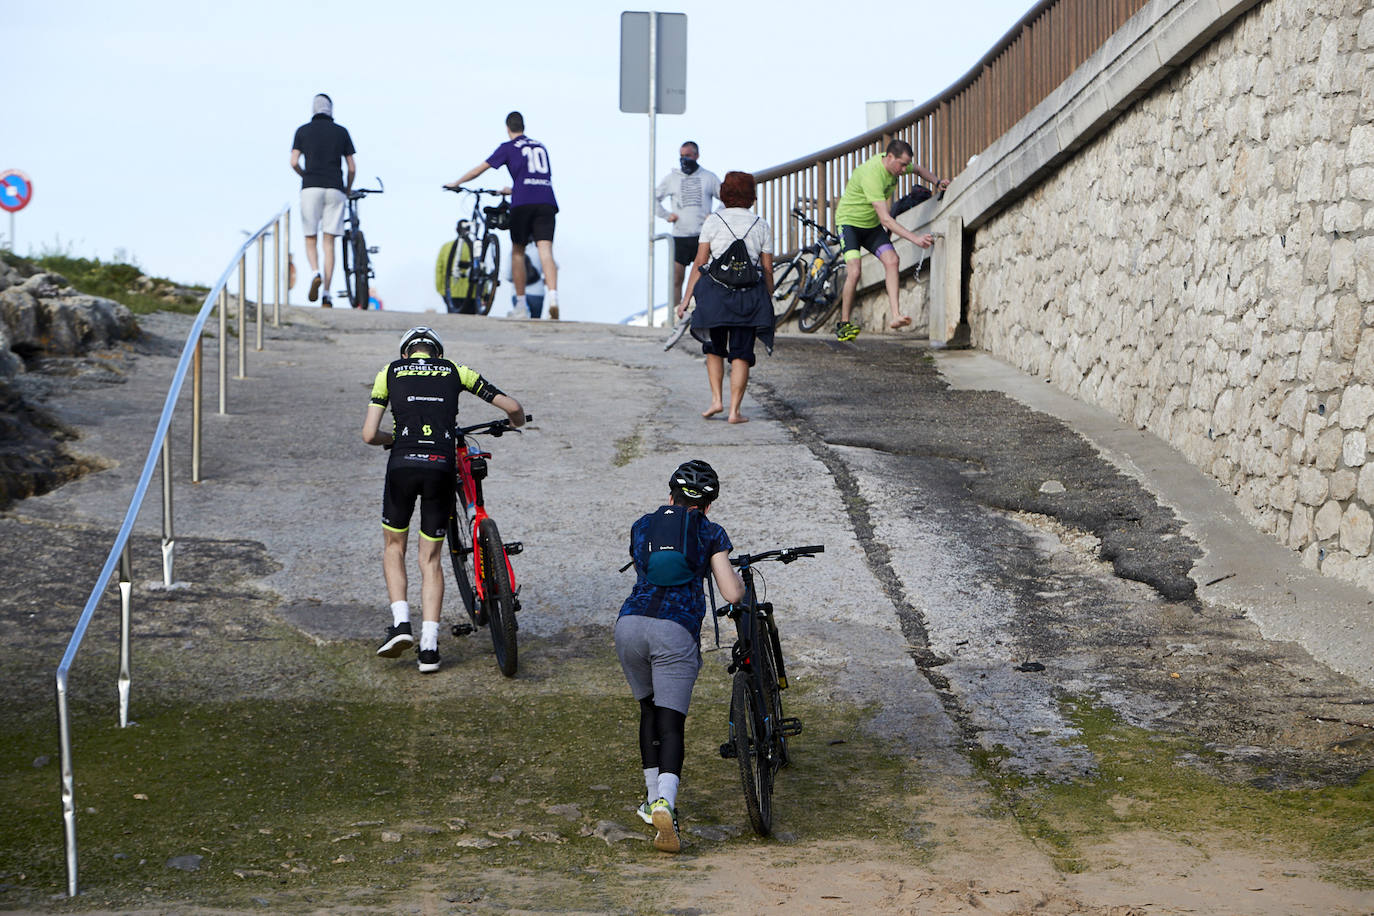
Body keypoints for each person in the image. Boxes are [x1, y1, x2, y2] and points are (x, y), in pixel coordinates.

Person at [362, 327, 525, 673]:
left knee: (394, 546)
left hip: (403, 465)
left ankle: (401, 624)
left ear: (406, 354)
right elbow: (512, 406)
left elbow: (368, 434)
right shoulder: (455, 369)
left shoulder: (388, 372)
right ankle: (429, 649)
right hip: (440, 464)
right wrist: (516, 421)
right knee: (431, 558)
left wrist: (392, 439)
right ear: (437, 354)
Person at [615, 460, 744, 852]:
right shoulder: (710, 531)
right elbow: (730, 594)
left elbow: (645, 571)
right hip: (674, 631)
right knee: (672, 724)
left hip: (629, 626)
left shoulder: (642, 525)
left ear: (670, 494)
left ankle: (650, 798)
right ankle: (665, 803)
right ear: (708, 504)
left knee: (648, 711)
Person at [678, 171, 774, 424]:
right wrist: (769, 294)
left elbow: (700, 262)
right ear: (751, 196)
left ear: (724, 194)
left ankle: (716, 400)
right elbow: (767, 269)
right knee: (742, 353)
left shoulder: (713, 221)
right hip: (748, 296)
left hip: (714, 296)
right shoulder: (761, 224)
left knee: (714, 348)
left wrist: (686, 299)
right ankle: (734, 411)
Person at [446, 112, 560, 320]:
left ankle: (521, 306)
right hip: (546, 200)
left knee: (518, 251)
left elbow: (480, 170)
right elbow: (534, 177)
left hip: (523, 202)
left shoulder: (508, 147)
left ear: (508, 128)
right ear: (524, 126)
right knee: (546, 251)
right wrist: (513, 188)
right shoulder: (540, 146)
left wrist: (457, 182)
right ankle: (553, 298)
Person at [832, 139, 949, 341]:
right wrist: (916, 239)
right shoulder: (872, 175)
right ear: (890, 157)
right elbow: (886, 219)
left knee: (892, 260)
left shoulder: (898, 165)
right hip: (849, 224)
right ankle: (844, 324)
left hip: (870, 225)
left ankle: (895, 316)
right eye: (901, 165)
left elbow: (919, 169)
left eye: (906, 165)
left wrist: (937, 182)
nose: (904, 170)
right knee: (855, 270)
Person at [290, 93, 356, 309]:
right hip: (335, 188)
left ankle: (315, 272)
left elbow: (293, 162)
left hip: (311, 187)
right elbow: (352, 167)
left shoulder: (302, 131)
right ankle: (327, 294)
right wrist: (346, 188)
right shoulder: (341, 132)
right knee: (329, 242)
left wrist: (305, 175)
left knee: (311, 238)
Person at [656, 141, 721, 308]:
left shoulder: (708, 177)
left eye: (688, 155)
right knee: (677, 278)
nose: (684, 159)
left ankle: (703, 310)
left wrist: (714, 216)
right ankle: (676, 312)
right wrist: (666, 215)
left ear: (696, 155)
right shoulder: (672, 178)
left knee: (704, 277)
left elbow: (725, 198)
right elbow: (653, 198)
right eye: (681, 156)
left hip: (702, 236)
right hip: (680, 235)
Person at [506, 243, 549, 318]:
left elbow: (508, 275)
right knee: (535, 321)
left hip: (517, 293)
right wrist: (542, 282)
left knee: (520, 317)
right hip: (537, 292)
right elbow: (550, 270)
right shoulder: (539, 250)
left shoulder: (514, 252)